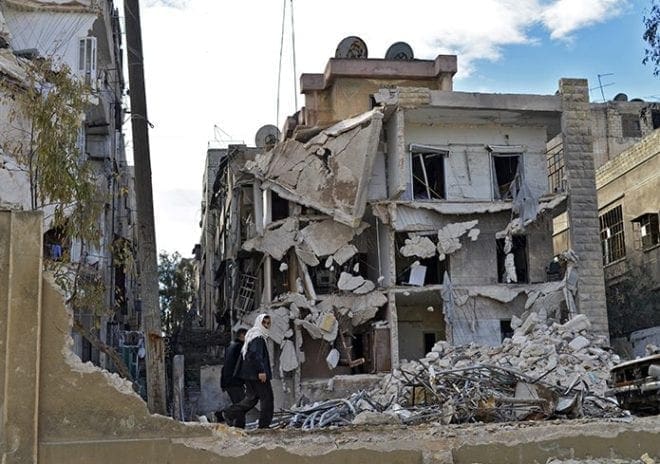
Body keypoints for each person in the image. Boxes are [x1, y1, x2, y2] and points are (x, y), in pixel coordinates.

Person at [224, 314, 273, 429]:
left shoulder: (252, 335)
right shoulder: (258, 337)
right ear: (259, 323)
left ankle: (230, 413)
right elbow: (255, 355)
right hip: (257, 374)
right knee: (267, 399)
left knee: (251, 399)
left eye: (268, 323)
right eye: (264, 323)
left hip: (249, 375)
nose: (266, 325)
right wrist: (261, 371)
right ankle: (264, 425)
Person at [219, 328, 247, 424]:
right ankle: (225, 414)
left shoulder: (230, 347)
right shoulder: (240, 347)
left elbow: (225, 366)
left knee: (240, 404)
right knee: (242, 405)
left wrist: (223, 383)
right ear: (242, 336)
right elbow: (243, 365)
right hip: (235, 381)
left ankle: (231, 421)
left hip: (228, 381)